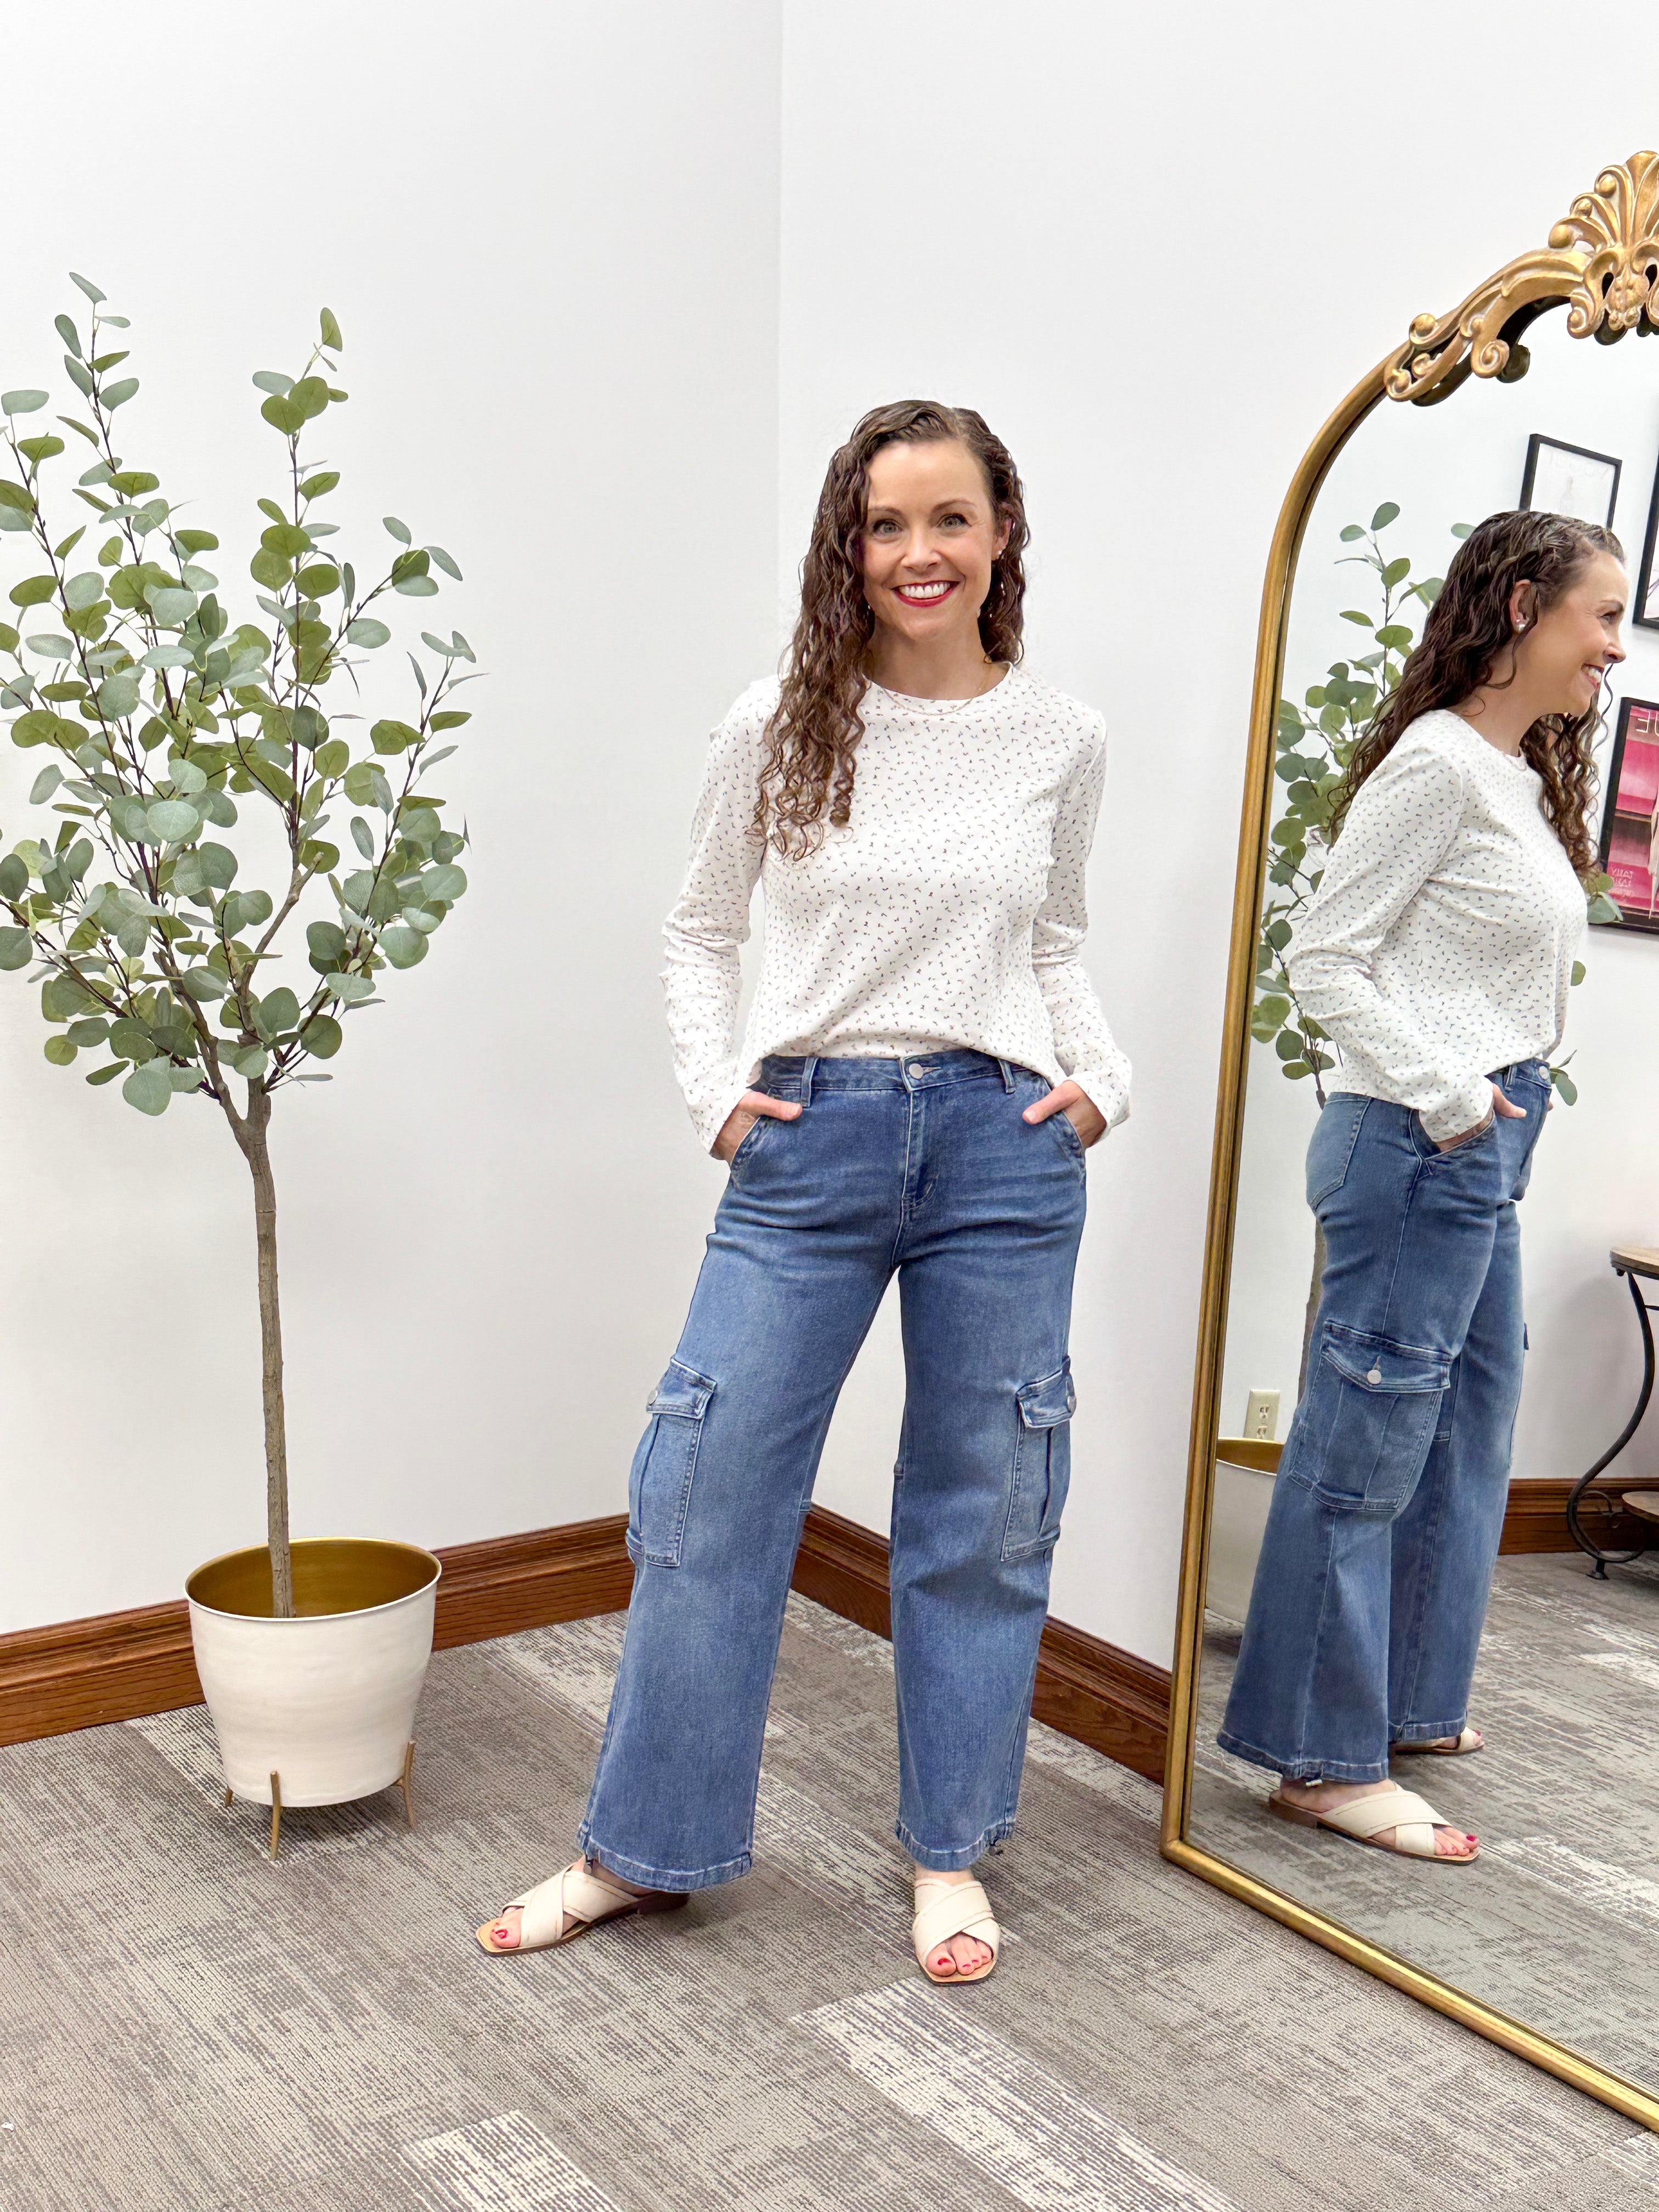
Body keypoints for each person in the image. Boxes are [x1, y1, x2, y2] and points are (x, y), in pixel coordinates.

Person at [475, 400, 1130, 1979]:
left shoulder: (1062, 734)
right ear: (850, 543)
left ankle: (952, 1852)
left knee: (983, 1514)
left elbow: (1054, 942)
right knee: (707, 1497)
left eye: (949, 520)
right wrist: (720, 1099)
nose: (919, 553)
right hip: (811, 1137)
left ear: (1001, 536)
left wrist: (1103, 1083)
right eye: (886, 524)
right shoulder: (778, 719)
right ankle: (645, 1850)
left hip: (1002, 1142)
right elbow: (699, 929)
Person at [1217, 509, 1626, 1861]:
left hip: (1480, 1147)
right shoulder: (1436, 766)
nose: (1615, 648)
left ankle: (1405, 1702)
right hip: (1419, 1142)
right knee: (1371, 1440)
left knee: (1465, 1431)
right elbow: (1325, 960)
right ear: (1521, 607)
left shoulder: (1512, 776)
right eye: (1602, 617)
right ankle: (1320, 1759)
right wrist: (1457, 1101)